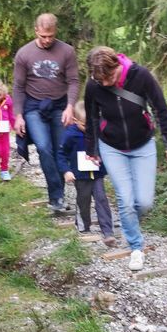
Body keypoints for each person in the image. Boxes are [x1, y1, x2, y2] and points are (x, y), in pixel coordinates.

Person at [83, 46, 167, 271]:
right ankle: (136, 247)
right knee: (125, 201)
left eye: (109, 78)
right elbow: (92, 118)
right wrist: (92, 149)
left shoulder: (141, 75)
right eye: (100, 80)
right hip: (111, 147)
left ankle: (131, 220)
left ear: (117, 66)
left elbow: (161, 108)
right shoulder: (94, 85)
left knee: (144, 202)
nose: (106, 84)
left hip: (143, 144)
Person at [12, 13, 80, 213]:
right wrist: (18, 115)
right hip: (33, 106)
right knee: (43, 147)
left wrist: (70, 106)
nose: (47, 40)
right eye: (43, 36)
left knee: (60, 149)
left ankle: (58, 196)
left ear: (56, 31)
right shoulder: (24, 54)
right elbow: (18, 87)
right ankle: (56, 195)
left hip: (59, 105)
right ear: (36, 31)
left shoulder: (67, 51)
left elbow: (73, 81)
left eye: (51, 36)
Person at [57, 101, 117, 248]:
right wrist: (66, 171)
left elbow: (108, 148)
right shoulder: (70, 135)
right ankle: (83, 226)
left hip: (97, 174)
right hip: (80, 175)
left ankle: (107, 231)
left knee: (101, 199)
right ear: (75, 121)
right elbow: (61, 154)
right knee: (83, 200)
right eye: (85, 125)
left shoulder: (99, 132)